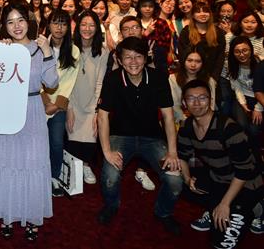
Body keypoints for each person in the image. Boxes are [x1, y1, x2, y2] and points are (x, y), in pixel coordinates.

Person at [0, 1, 58, 242]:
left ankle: (32, 218)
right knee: (7, 160)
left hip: (34, 110)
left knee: (33, 162)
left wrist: (48, 52)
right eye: (10, 22)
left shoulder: (40, 48)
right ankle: (7, 215)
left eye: (21, 20)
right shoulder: (1, 48)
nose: (17, 26)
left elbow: (52, 83)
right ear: (4, 26)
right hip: (6, 111)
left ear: (29, 21)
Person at [97, 36, 183, 236]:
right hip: (121, 136)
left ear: (146, 58)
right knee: (109, 176)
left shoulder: (158, 78)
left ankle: (163, 212)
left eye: (138, 57)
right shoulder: (112, 79)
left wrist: (172, 152)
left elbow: (168, 117)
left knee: (175, 181)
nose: (133, 62)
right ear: (119, 60)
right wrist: (107, 151)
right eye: (127, 57)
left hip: (152, 137)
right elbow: (102, 118)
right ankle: (111, 205)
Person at [178, 79, 264, 245]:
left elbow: (244, 172)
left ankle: (257, 207)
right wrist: (188, 179)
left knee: (221, 244)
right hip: (219, 178)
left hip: (246, 183)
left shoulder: (228, 128)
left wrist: (225, 204)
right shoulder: (186, 127)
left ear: (210, 100)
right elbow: (183, 156)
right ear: (184, 103)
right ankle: (216, 208)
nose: (196, 103)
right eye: (191, 98)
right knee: (182, 185)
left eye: (202, 98)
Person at [67, 10, 109, 185]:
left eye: (91, 25)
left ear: (97, 28)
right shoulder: (68, 48)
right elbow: (64, 80)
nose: (87, 28)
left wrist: (95, 111)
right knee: (70, 132)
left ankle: (85, 165)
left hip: (91, 100)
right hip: (71, 99)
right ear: (77, 27)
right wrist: (68, 107)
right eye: (83, 24)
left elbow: (100, 82)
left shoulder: (103, 51)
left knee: (90, 132)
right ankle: (72, 168)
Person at [41, 9, 80, 197]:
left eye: (63, 24)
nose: (59, 27)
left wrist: (56, 105)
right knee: (38, 143)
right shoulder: (38, 46)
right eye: (55, 23)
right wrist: (44, 100)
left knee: (56, 142)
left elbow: (69, 82)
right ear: (48, 25)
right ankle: (38, 176)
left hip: (58, 105)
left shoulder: (73, 50)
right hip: (38, 102)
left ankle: (54, 177)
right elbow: (34, 76)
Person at [179, 2, 226, 80]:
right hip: (190, 75)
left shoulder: (218, 32)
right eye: (198, 12)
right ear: (193, 15)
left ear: (210, 14)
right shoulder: (186, 32)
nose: (202, 14)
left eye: (205, 11)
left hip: (212, 76)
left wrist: (214, 78)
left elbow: (220, 57)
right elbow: (182, 55)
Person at [168, 48, 216, 124]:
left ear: (203, 63)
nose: (193, 65)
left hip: (205, 120)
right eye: (189, 61)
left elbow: (212, 104)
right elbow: (175, 105)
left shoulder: (209, 81)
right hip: (181, 120)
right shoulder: (173, 79)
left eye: (198, 61)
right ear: (183, 61)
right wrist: (186, 121)